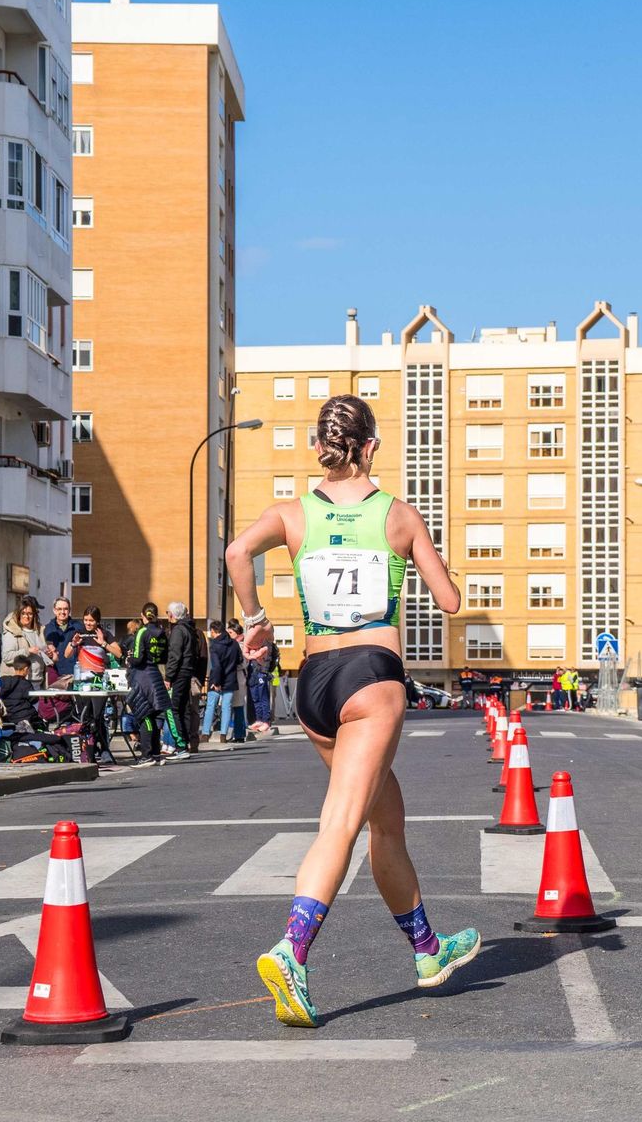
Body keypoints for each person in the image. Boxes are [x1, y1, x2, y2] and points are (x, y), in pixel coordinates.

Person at [226, 393, 477, 1028]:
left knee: (384, 819)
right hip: (371, 679)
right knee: (341, 822)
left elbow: (235, 554)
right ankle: (292, 951)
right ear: (371, 448)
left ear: (320, 448)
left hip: (313, 685)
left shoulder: (291, 514)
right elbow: (449, 601)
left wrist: (255, 622)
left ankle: (426, 951)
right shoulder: (398, 516)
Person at [125, 602, 177, 763]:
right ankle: (155, 753)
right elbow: (164, 657)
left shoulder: (142, 632)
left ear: (142, 615)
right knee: (154, 716)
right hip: (156, 675)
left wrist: (129, 658)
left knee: (144, 715)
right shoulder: (161, 632)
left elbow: (138, 657)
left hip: (143, 677)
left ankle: (146, 755)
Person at [164, 601, 204, 755]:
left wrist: (168, 676)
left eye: (168, 613)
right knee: (182, 709)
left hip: (179, 674)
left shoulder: (178, 631)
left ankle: (180, 745)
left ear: (172, 615)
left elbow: (175, 655)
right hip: (187, 672)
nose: (167, 615)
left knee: (172, 709)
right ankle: (184, 743)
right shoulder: (190, 629)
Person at [202, 619, 240, 743]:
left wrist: (217, 683)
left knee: (210, 706)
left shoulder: (214, 646)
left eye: (211, 632)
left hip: (216, 681)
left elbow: (217, 666)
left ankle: (205, 734)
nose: (211, 635)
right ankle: (223, 735)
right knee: (226, 707)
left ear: (214, 631)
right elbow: (239, 660)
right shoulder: (234, 643)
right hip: (230, 679)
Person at [0, 598, 46, 684]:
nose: (26, 617)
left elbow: (42, 652)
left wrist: (49, 653)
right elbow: (7, 657)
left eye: (30, 614)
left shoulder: (40, 630)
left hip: (38, 681)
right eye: (23, 613)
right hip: (17, 683)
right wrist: (27, 651)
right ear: (18, 614)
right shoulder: (12, 631)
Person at [0, 653, 39, 732]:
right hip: (27, 716)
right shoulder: (25, 684)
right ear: (26, 669)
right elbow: (34, 699)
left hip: (10, 717)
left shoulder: (4, 681)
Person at [44, 597, 84, 680]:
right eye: (59, 609)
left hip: (74, 674)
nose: (62, 612)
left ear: (69, 610)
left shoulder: (78, 627)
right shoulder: (47, 629)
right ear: (54, 610)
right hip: (54, 675)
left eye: (65, 609)